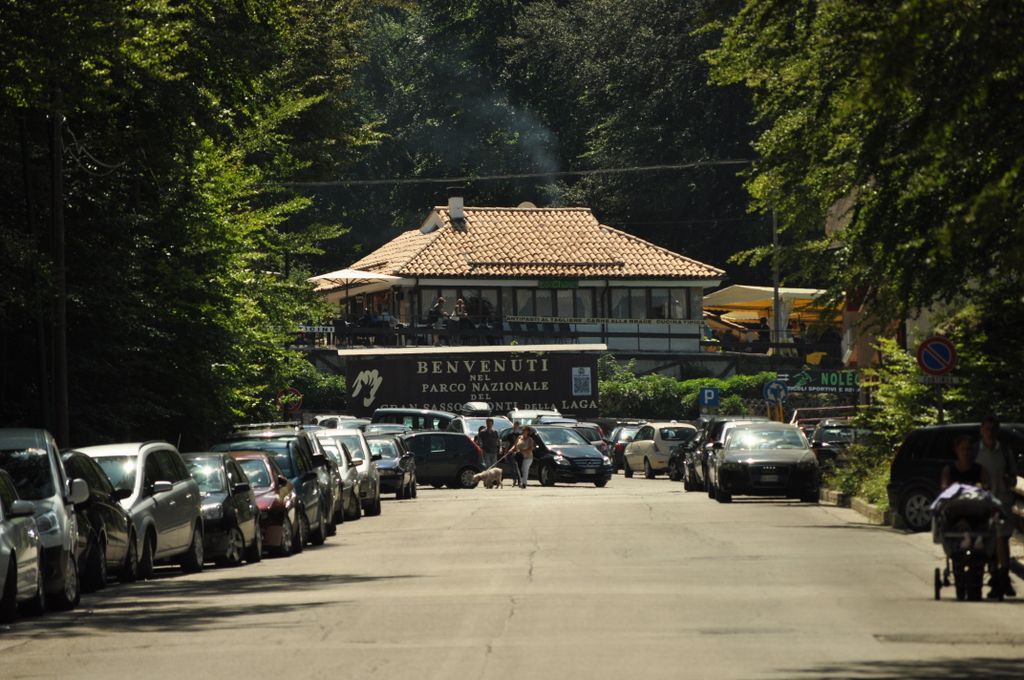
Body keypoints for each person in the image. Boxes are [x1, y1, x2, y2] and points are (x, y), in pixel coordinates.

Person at [975, 415, 1018, 598]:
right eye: (986, 429)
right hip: (983, 502)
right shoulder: (976, 451)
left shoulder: (1005, 452)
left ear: (997, 431)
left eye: (993, 429)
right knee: (988, 540)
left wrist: (1009, 480)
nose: (989, 433)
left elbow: (1014, 478)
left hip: (1003, 502)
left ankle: (1003, 576)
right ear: (981, 430)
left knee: (1001, 538)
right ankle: (996, 577)